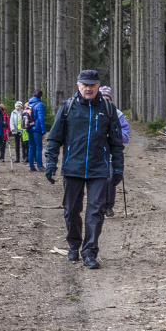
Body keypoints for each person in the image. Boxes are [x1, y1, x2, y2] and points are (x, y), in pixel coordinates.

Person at [45, 70, 125, 269]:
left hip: (99, 169)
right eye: (85, 84)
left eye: (92, 85)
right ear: (78, 85)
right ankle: (74, 245)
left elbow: (116, 142)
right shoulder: (67, 107)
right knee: (71, 210)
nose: (88, 88)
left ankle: (90, 252)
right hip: (73, 167)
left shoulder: (108, 108)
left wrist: (118, 169)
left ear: (98, 86)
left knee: (95, 211)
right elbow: (55, 138)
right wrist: (51, 162)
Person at [98, 86, 130, 217]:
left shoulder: (117, 113)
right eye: (102, 98)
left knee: (111, 178)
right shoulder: (94, 112)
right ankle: (99, 205)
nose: (105, 101)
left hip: (112, 152)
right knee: (99, 180)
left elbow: (126, 134)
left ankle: (108, 205)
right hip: (97, 152)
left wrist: (118, 136)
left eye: (107, 99)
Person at [27, 90, 47, 172]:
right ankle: (40, 166)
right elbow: (41, 118)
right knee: (39, 147)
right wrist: (43, 130)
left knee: (31, 147)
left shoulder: (29, 104)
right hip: (36, 128)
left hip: (29, 128)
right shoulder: (39, 104)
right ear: (40, 97)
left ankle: (31, 166)